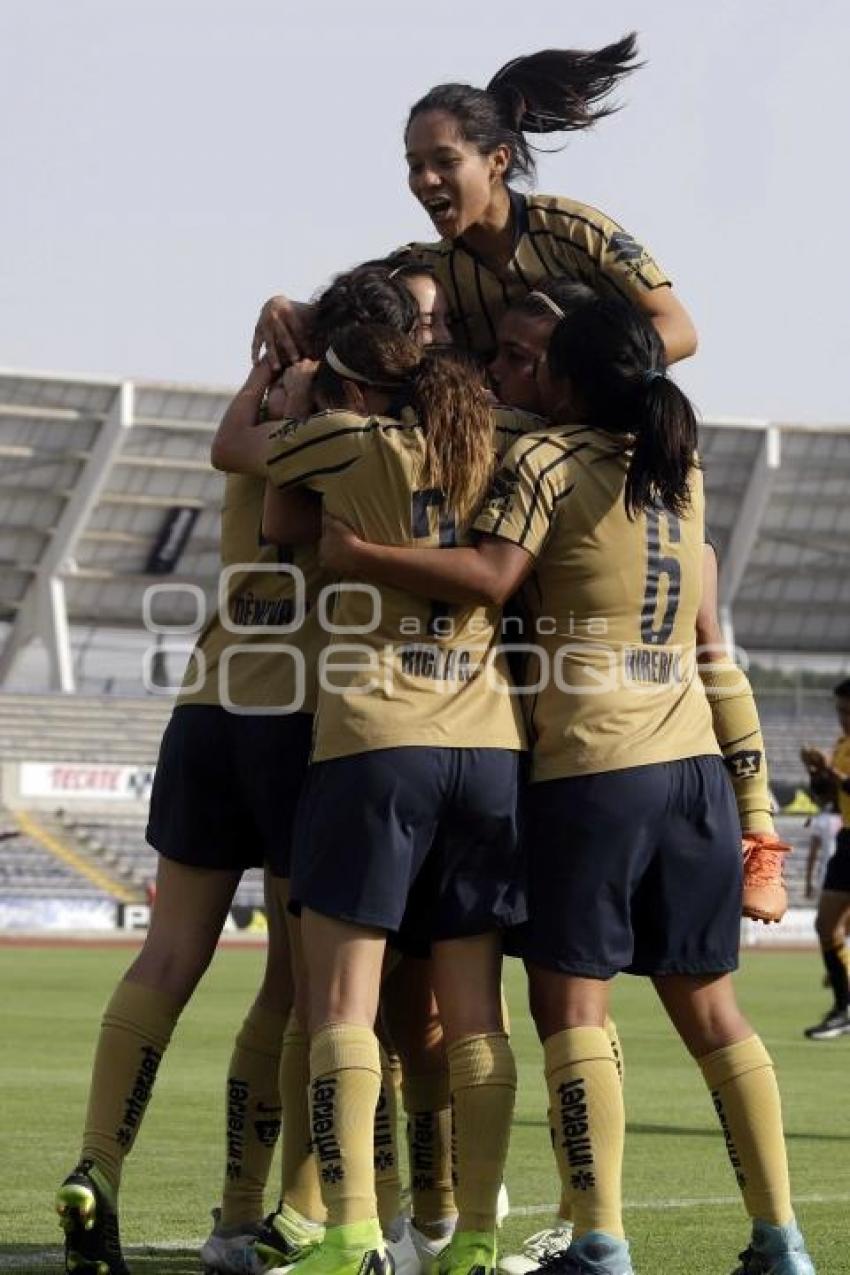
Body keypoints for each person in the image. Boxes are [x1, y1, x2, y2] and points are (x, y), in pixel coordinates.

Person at [319, 294, 815, 1275]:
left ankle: (598, 1241)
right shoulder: (684, 475)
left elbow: (496, 573)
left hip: (594, 768)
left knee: (570, 1015)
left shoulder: (549, 462)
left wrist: (360, 551)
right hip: (693, 777)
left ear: (569, 380)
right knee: (714, 1014)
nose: (521, 379)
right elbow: (713, 646)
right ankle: (780, 1239)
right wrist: (756, 813)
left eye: (536, 365)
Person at [263, 324, 528, 1275]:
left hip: (375, 738)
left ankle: (353, 1236)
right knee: (476, 1019)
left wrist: (296, 390)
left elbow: (269, 492)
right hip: (488, 746)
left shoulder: (352, 437)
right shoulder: (509, 451)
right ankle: (476, 1243)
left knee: (343, 1005)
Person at [252, 34, 697, 373]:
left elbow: (679, 331)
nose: (426, 180)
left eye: (445, 162)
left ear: (497, 161)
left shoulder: (575, 231)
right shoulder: (428, 271)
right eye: (414, 165)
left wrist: (569, 376)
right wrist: (286, 308)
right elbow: (350, 307)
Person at [800, 679, 850, 1040]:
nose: (843, 718)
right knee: (826, 925)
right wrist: (817, 773)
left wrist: (832, 773)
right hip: (848, 839)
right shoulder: (843, 745)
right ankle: (844, 1007)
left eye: (848, 711)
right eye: (839, 710)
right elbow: (829, 800)